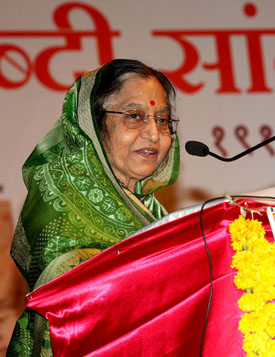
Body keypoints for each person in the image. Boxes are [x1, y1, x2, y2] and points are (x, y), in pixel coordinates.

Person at [7, 59, 180, 356]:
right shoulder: (63, 209)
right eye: (135, 116)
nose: (154, 133)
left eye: (162, 119)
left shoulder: (155, 215)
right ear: (92, 125)